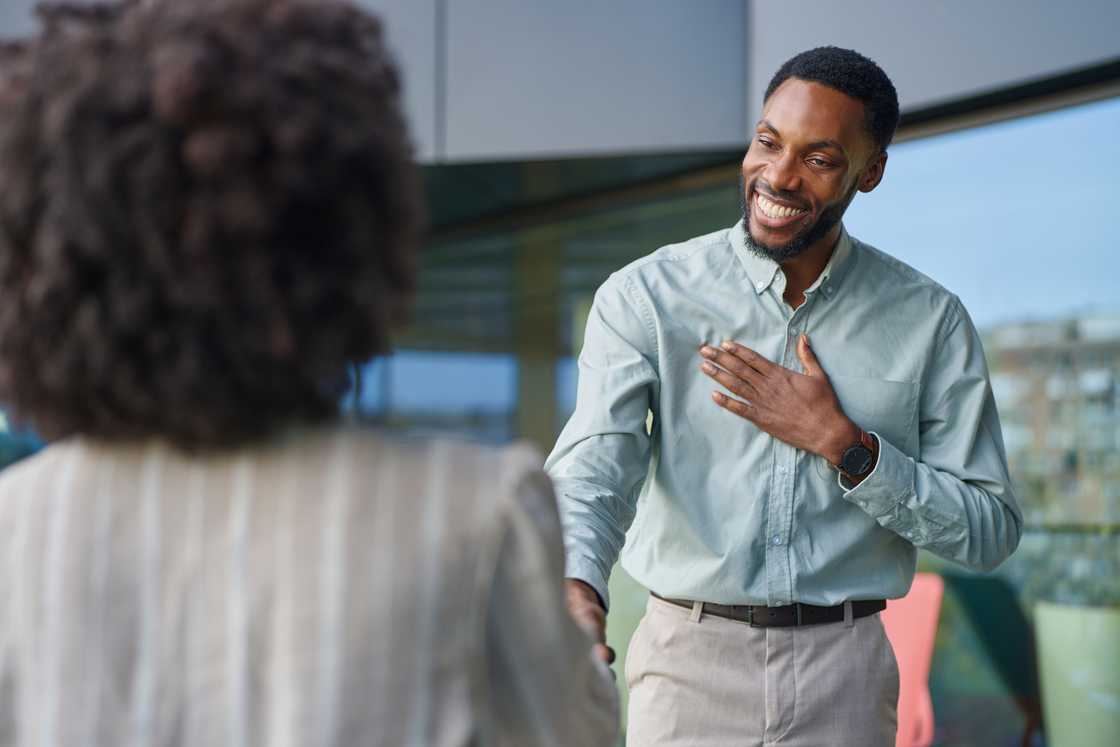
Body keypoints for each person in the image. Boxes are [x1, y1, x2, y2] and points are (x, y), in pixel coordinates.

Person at [0, 1, 617, 745]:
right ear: (350, 236)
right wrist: (581, 656)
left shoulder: (19, 528)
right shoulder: (477, 515)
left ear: (52, 260)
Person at [547, 46, 1022, 746]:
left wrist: (850, 449)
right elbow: (594, 470)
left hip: (847, 675)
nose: (779, 175)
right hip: (687, 670)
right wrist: (576, 583)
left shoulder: (930, 321)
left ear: (870, 172)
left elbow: (989, 531)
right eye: (768, 142)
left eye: (819, 159)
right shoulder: (646, 298)